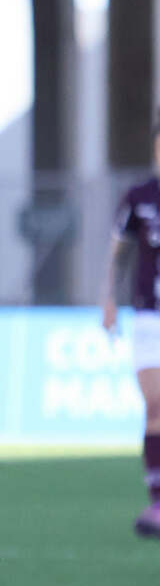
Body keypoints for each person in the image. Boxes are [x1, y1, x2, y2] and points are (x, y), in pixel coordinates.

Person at [103, 115, 160, 539]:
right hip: (149, 317)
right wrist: (108, 297)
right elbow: (118, 252)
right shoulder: (139, 197)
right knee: (155, 405)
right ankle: (157, 500)